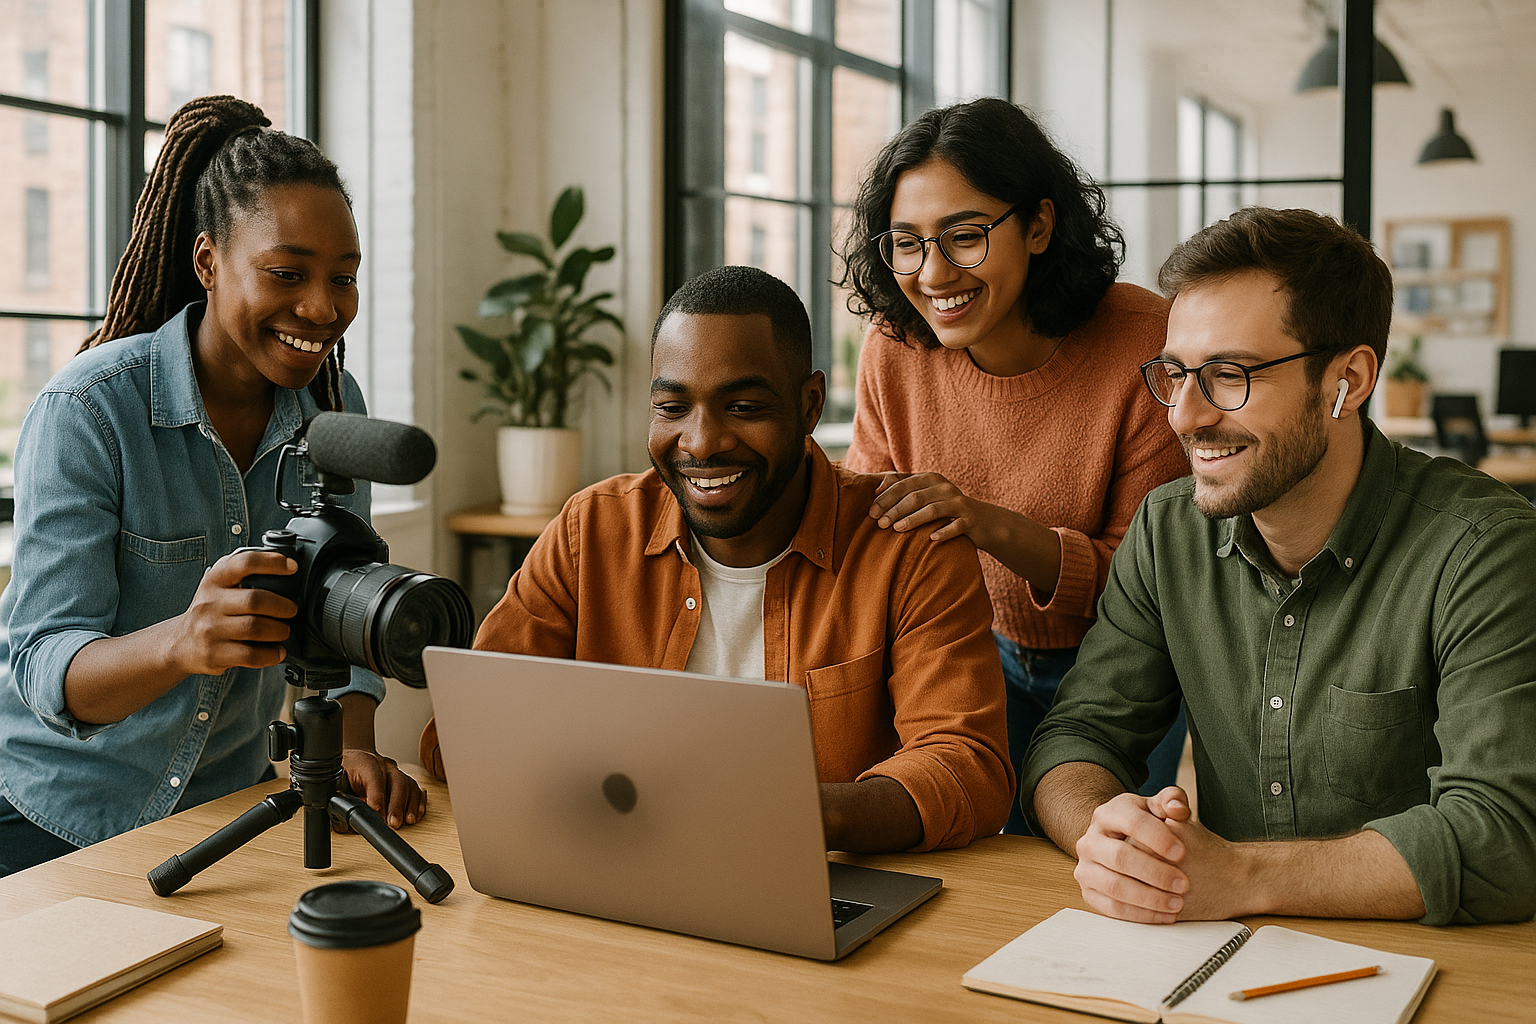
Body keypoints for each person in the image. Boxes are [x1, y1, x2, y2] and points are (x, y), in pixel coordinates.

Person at [1023, 207, 1536, 926]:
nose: (1183, 416)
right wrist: (1110, 839)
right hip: (1212, 950)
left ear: (1347, 381)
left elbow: (1503, 839)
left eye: (1229, 374)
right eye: (1175, 375)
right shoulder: (1168, 531)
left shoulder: (1483, 550)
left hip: (1433, 966)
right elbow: (1077, 738)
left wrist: (1239, 876)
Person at [420, 265, 1012, 852]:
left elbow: (969, 767)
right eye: (673, 408)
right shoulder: (590, 531)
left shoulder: (909, 547)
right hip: (613, 865)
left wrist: (799, 815)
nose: (702, 443)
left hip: (819, 880)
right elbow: (462, 733)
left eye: (744, 407)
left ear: (809, 405)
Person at [0, 96, 424, 877]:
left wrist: (357, 745)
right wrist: (183, 642)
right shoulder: (89, 410)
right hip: (56, 813)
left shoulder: (334, 409)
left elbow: (344, 602)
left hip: (226, 807)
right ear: (207, 261)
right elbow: (43, 666)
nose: (324, 308)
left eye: (344, 278)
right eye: (287, 273)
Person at [839, 97, 1190, 833]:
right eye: (905, 243)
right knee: (973, 869)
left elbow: (1148, 582)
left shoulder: (1145, 342)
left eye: (964, 236)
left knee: (1103, 865)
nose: (933, 274)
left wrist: (985, 523)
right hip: (967, 649)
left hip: (1125, 665)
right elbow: (866, 519)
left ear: (1038, 225)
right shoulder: (894, 348)